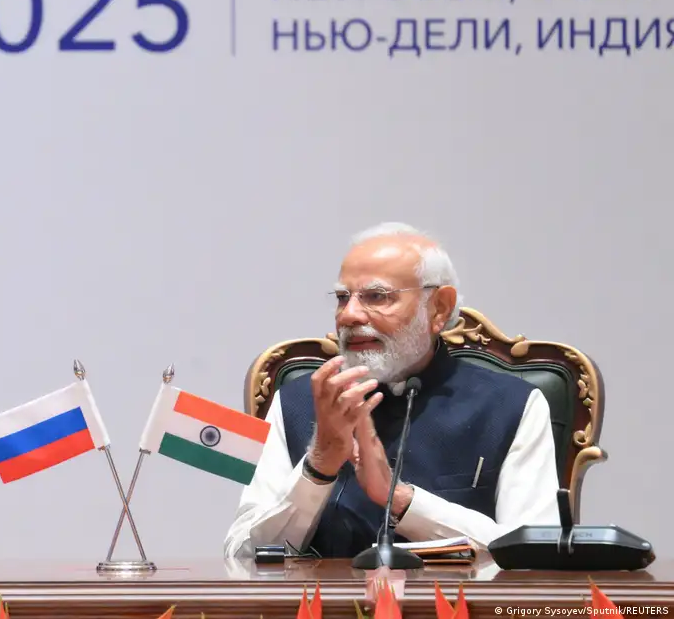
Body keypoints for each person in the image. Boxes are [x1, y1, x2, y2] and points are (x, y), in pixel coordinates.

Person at [223, 222, 559, 559]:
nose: (349, 315)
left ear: (439, 308)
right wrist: (318, 466)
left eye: (376, 296)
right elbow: (243, 554)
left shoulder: (512, 406)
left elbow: (537, 555)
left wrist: (400, 500)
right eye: (342, 298)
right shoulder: (296, 402)